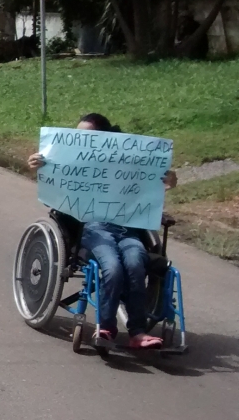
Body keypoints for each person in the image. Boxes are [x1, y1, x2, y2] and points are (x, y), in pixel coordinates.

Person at [27, 112, 177, 349]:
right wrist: (42, 167)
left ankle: (137, 331)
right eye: (76, 136)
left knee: (136, 263)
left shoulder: (130, 160)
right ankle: (106, 327)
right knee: (113, 267)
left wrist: (168, 181)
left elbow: (148, 189)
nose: (79, 141)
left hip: (128, 229)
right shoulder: (72, 161)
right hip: (95, 229)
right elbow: (56, 195)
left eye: (86, 136)